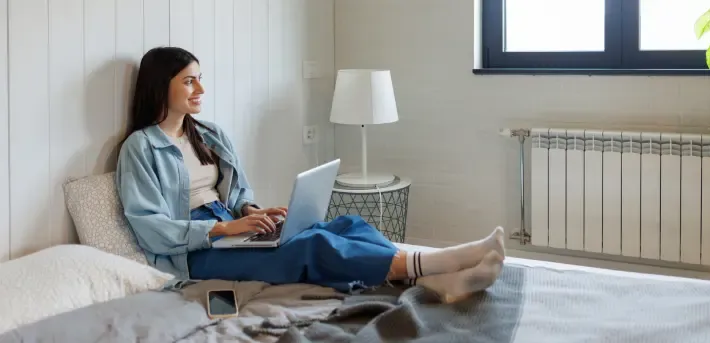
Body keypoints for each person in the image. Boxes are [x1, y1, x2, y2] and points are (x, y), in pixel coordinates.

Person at [115, 46, 506, 303]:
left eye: (199, 77)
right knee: (312, 245)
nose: (200, 87)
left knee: (345, 225)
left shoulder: (209, 134)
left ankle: (434, 278)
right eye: (188, 80)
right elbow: (150, 228)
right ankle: (440, 263)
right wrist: (222, 230)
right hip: (194, 254)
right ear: (159, 86)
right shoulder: (140, 147)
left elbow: (235, 193)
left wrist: (252, 211)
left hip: (228, 225)